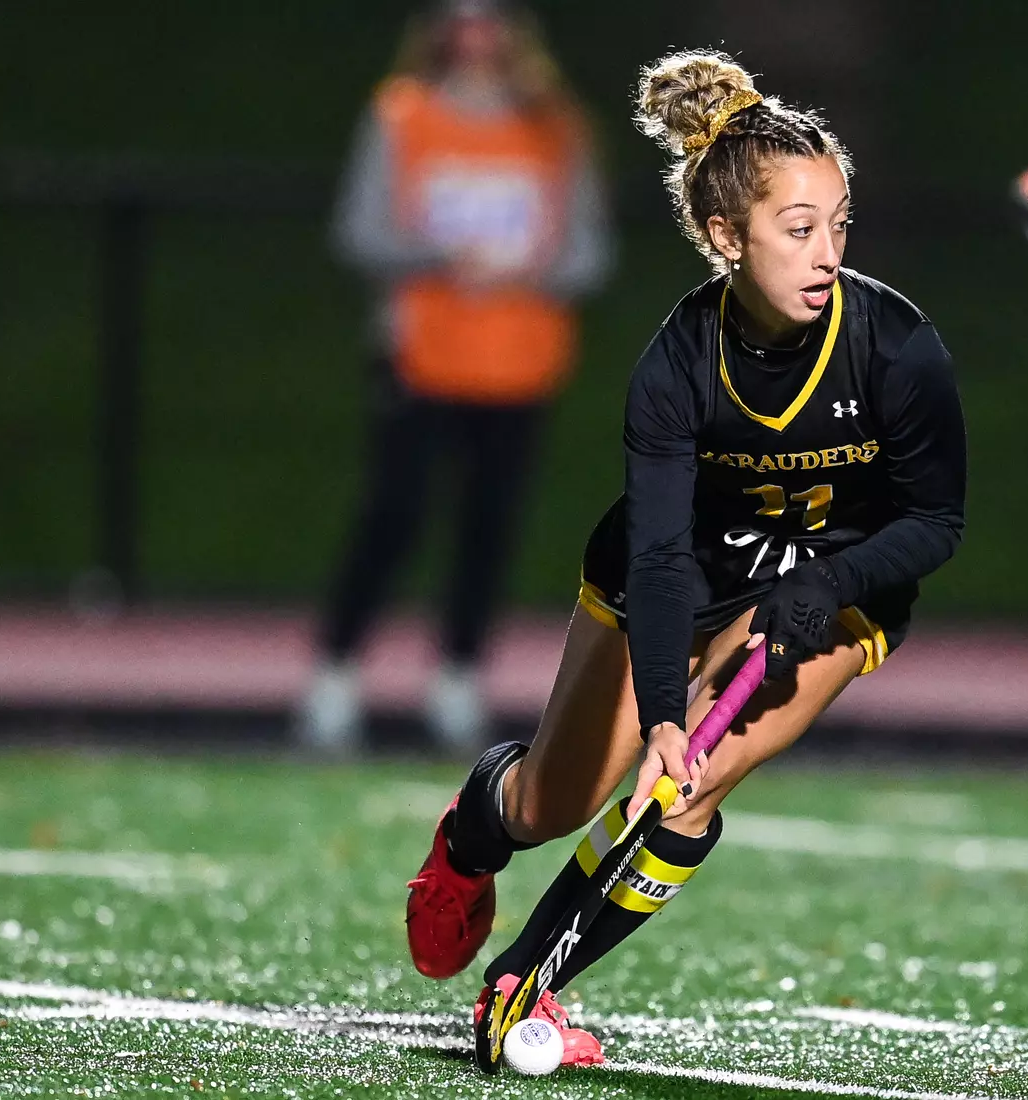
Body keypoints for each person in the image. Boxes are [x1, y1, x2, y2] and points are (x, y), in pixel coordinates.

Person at [400, 50, 967, 1065]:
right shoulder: (674, 366)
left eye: (837, 223)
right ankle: (469, 837)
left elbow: (933, 521)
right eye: (798, 230)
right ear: (724, 236)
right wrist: (662, 707)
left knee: (689, 786)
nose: (827, 251)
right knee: (555, 803)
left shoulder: (896, 345)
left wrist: (826, 584)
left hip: (831, 588)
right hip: (677, 580)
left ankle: (519, 986)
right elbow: (660, 557)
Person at [297, 0, 612, 754]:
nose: (475, 38)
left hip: (518, 363)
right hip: (421, 356)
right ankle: (335, 672)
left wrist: (527, 268)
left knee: (489, 525)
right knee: (394, 515)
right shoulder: (403, 116)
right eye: (459, 20)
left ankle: (458, 676)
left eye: (489, 20)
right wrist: (444, 258)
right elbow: (361, 231)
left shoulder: (554, 127)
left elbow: (586, 255)